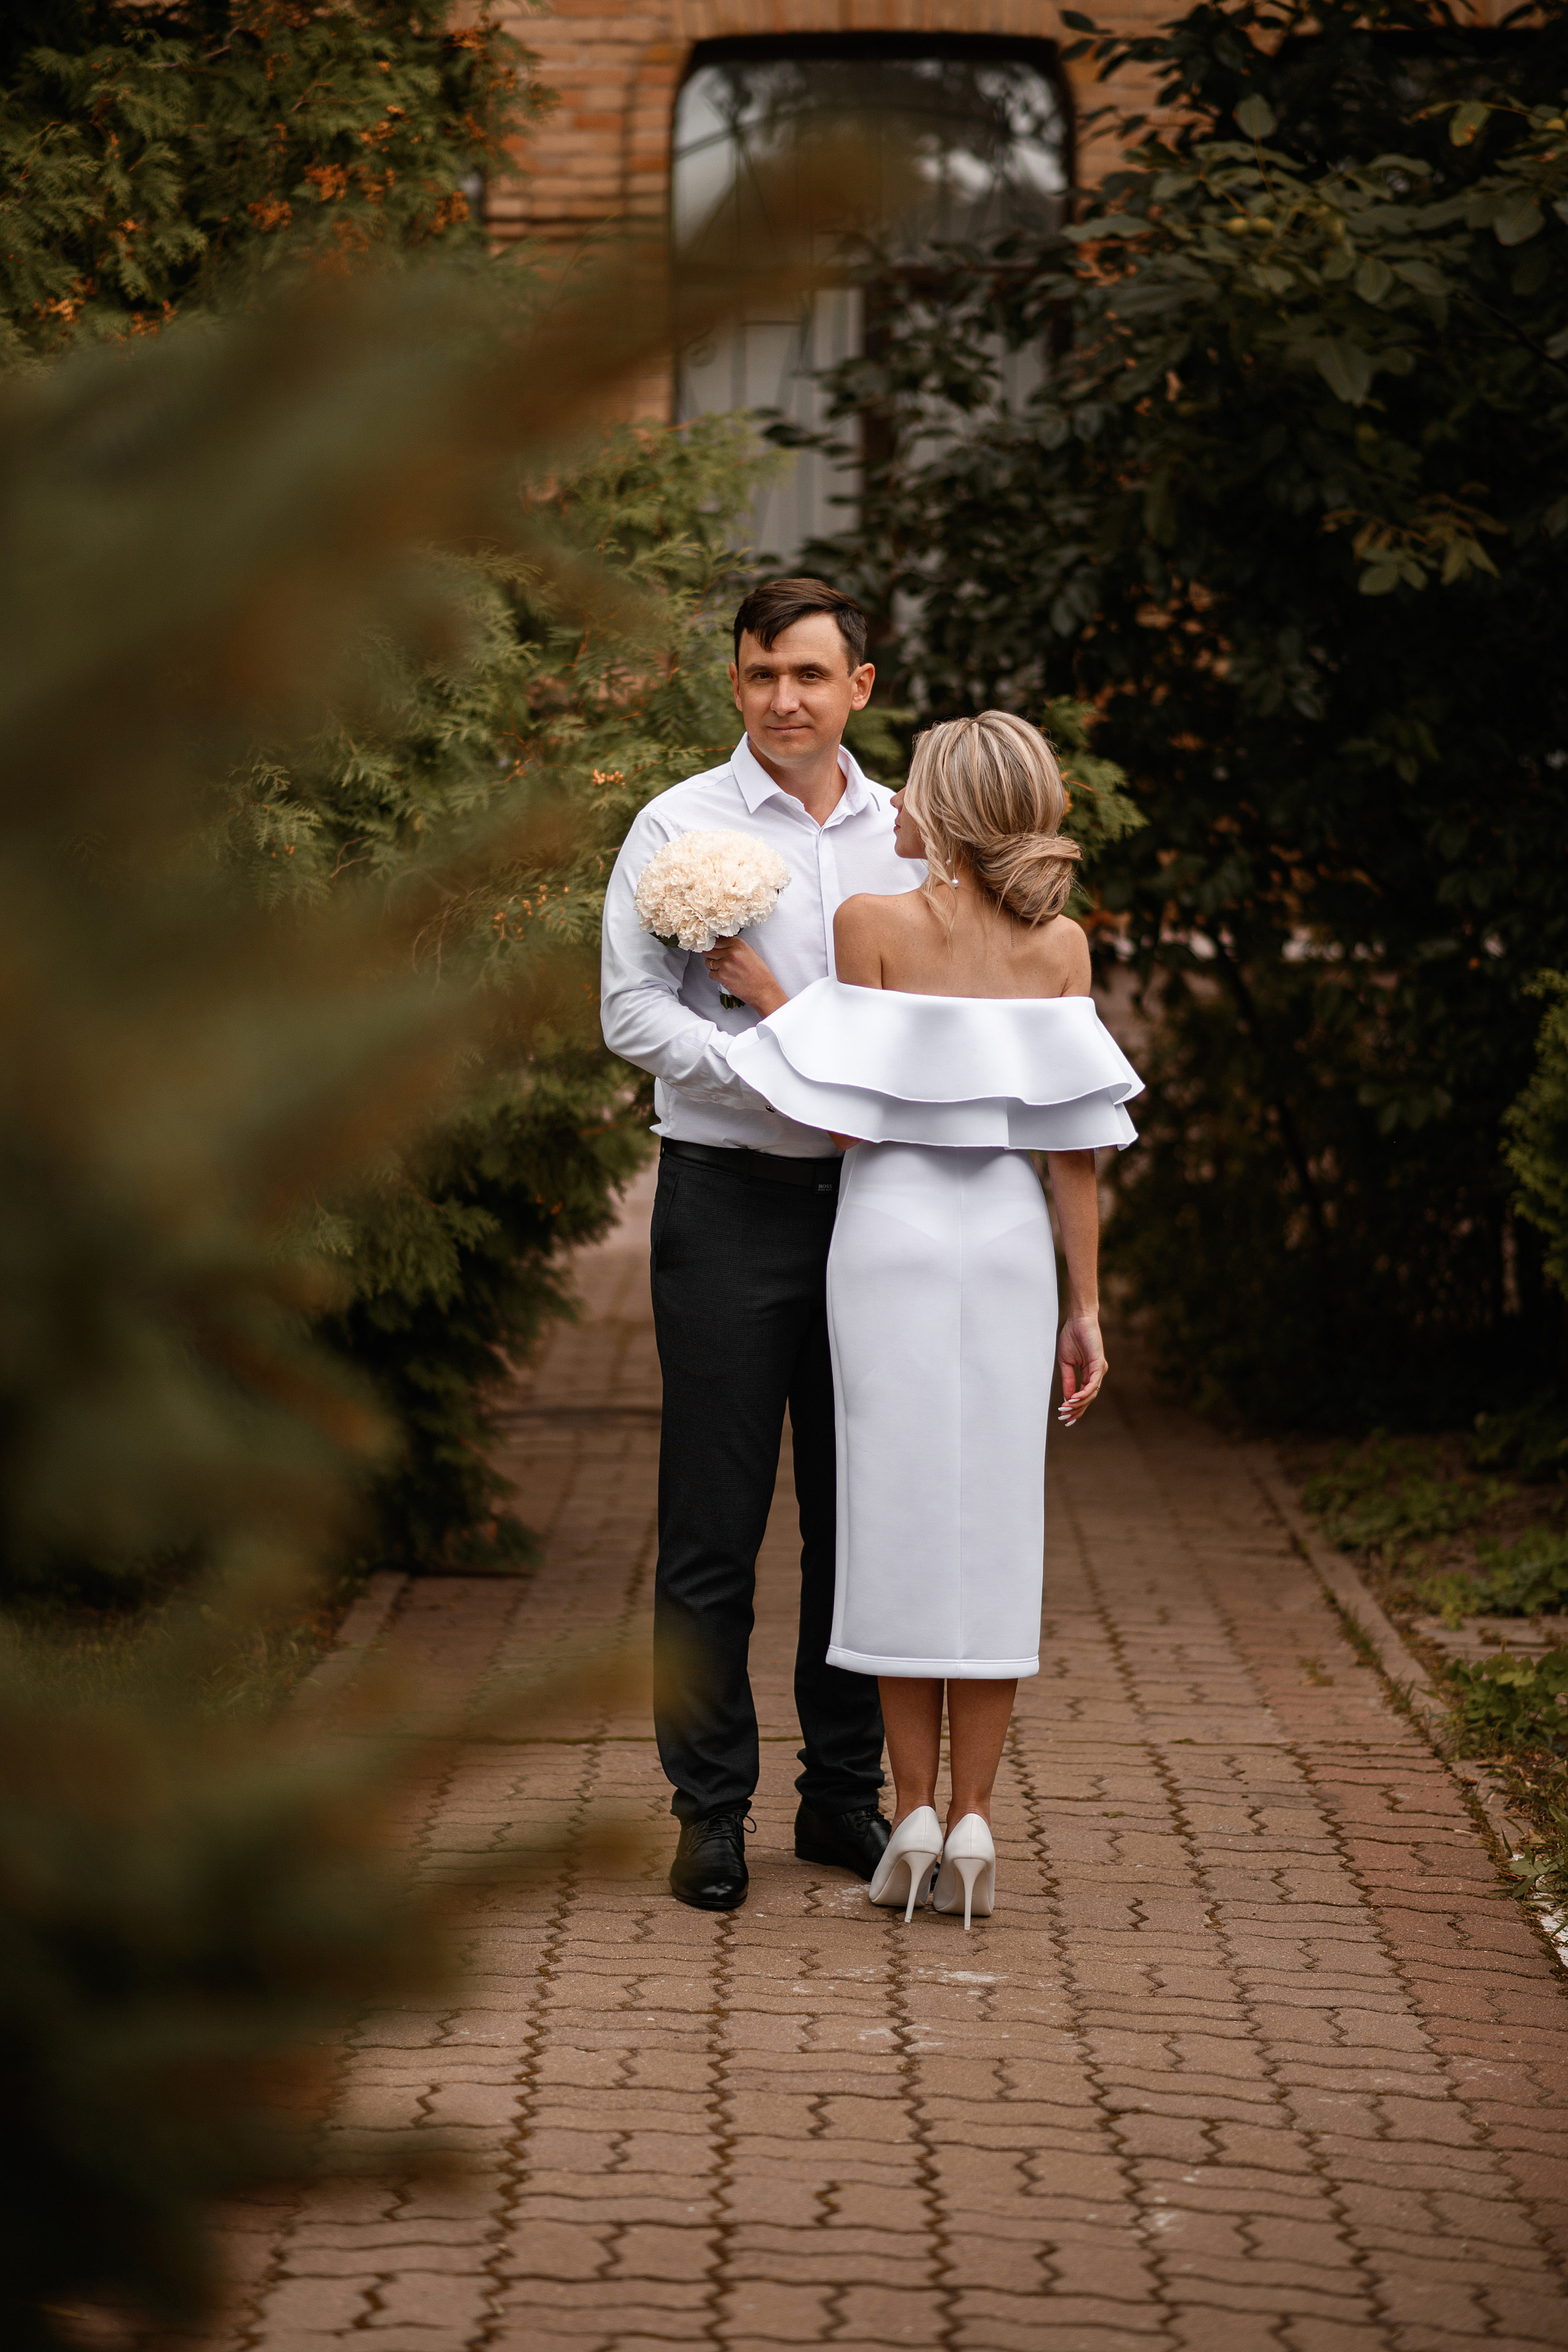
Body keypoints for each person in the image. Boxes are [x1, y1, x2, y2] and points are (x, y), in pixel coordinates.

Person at [728, 712, 1142, 1927]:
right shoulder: (1059, 946)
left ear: (944, 813)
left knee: (897, 1515)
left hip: (891, 1237)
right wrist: (1087, 1308)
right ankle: (972, 1820)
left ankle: (905, 1811)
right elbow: (1075, 1155)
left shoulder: (870, 926)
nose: (890, 806)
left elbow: (850, 1117)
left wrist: (766, 994)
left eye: (906, 789)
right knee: (995, 1524)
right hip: (1008, 1245)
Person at [600, 578, 922, 1911]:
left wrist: (818, 1058)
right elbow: (632, 1014)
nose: (779, 699)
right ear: (732, 684)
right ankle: (708, 1806)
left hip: (880, 1208)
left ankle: (839, 1798)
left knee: (858, 1517)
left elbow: (944, 1017)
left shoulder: (916, 832)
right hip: (726, 1201)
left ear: (859, 685)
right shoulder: (677, 824)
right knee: (711, 1523)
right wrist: (780, 1073)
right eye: (755, 675)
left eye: (805, 674)